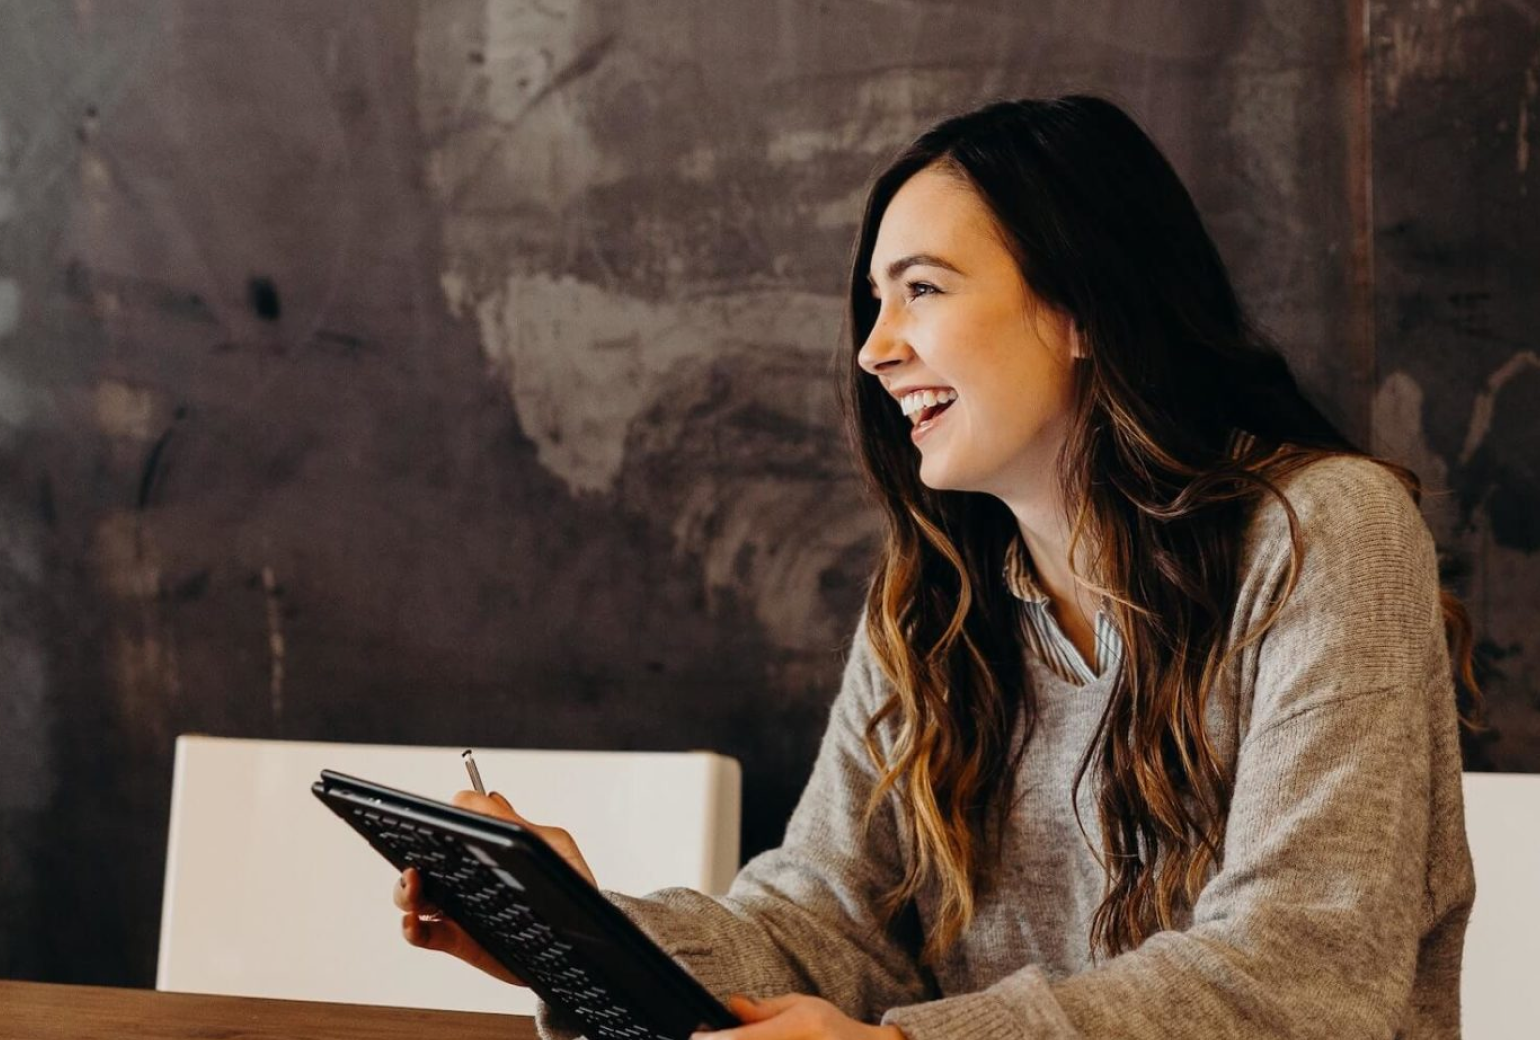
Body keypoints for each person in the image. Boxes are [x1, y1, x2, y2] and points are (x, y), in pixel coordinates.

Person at [392, 95, 1480, 1039]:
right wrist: (581, 929)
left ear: (1080, 308)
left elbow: (1305, 971)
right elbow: (823, 924)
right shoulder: (935, 600)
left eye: (922, 288)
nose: (874, 347)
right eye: (875, 300)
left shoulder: (1323, 532)